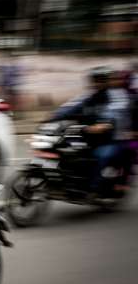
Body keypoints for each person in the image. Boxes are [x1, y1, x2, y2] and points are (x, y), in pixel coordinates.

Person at [49, 66, 131, 196]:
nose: (97, 83)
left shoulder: (117, 97)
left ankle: (92, 187)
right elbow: (72, 107)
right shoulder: (88, 96)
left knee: (100, 156)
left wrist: (104, 125)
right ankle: (67, 182)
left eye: (100, 80)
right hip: (87, 137)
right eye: (94, 80)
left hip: (110, 140)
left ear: (107, 81)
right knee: (64, 148)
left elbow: (113, 112)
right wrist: (54, 117)